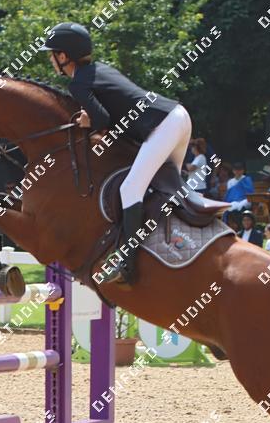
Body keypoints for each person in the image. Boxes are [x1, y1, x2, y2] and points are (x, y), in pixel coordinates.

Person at [40, 21, 187, 284]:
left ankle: (126, 264)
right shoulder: (100, 69)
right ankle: (177, 248)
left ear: (63, 57)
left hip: (162, 125)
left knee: (130, 189)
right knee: (167, 189)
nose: (51, 60)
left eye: (52, 54)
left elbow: (102, 118)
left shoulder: (78, 83)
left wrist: (87, 122)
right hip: (177, 116)